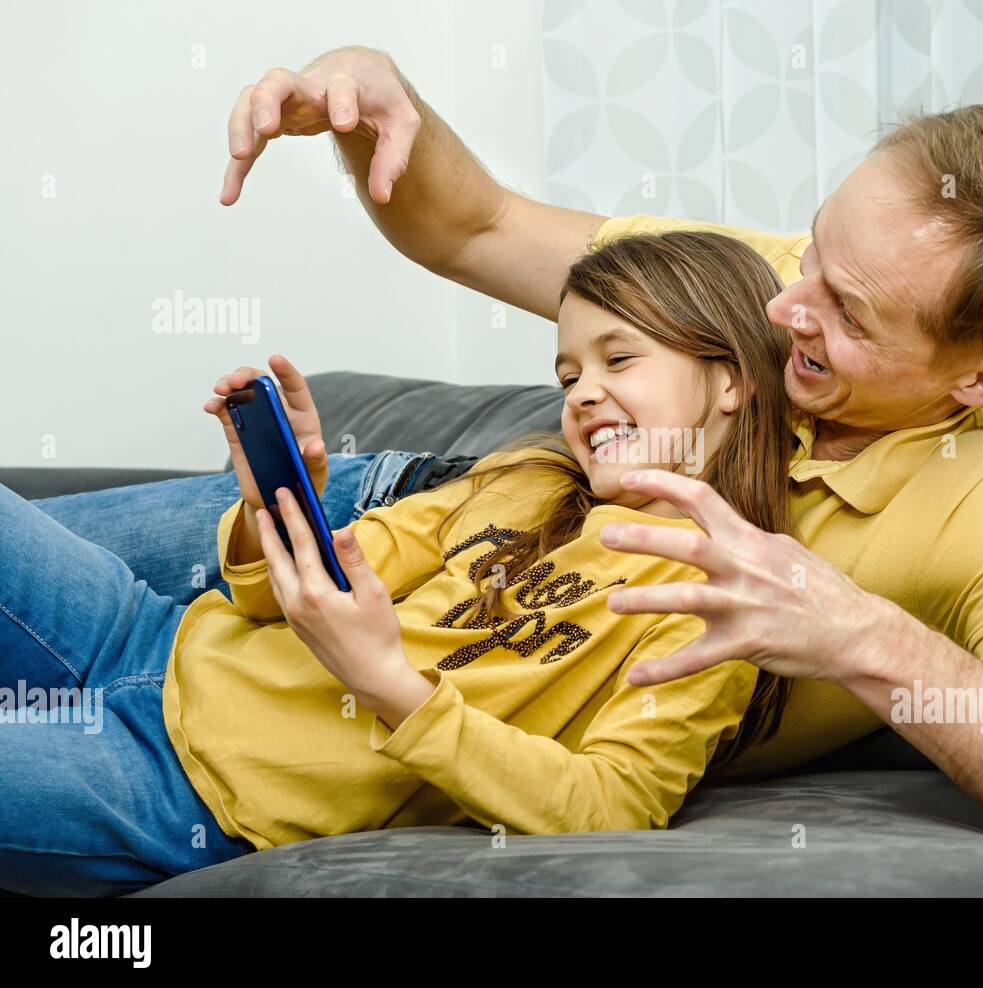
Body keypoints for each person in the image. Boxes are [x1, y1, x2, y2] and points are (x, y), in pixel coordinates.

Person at [44, 47, 983, 843]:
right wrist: (374, 99)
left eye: (847, 315)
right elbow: (478, 222)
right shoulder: (763, 277)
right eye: (810, 254)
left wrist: (864, 636)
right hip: (417, 514)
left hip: (451, 652)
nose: (784, 306)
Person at [0, 231, 799, 897]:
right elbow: (289, 590)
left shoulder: (711, 607)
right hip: (145, 637)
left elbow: (611, 801)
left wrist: (388, 684)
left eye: (618, 361)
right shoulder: (524, 480)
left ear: (729, 380)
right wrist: (279, 508)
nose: (584, 394)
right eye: (569, 375)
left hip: (186, 787)